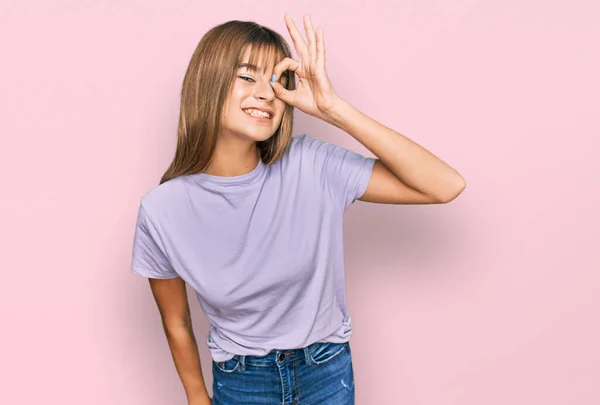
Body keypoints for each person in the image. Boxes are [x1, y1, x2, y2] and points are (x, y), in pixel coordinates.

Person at [130, 12, 466, 405]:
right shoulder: (162, 210)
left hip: (326, 372)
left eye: (278, 80)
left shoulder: (311, 164)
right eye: (247, 76)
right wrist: (197, 398)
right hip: (241, 383)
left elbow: (445, 185)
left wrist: (334, 109)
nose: (267, 92)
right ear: (209, 81)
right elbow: (176, 322)